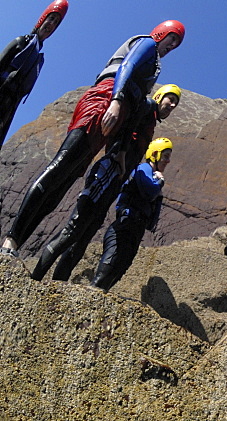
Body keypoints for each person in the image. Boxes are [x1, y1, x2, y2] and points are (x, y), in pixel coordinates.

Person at [1, 20, 185, 257]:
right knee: (60, 166)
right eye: (172, 38)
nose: (172, 45)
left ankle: (16, 246)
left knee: (63, 184)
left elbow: (135, 110)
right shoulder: (147, 44)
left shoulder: (153, 70)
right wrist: (117, 99)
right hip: (103, 102)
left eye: (176, 43)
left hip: (114, 116)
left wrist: (118, 151)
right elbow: (127, 66)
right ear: (163, 33)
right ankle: (10, 239)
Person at [30, 83, 181, 281]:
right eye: (171, 99)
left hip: (114, 180)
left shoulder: (151, 121)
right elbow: (126, 124)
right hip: (108, 171)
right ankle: (35, 280)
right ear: (160, 96)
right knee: (74, 228)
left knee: (83, 237)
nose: (172, 106)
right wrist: (121, 154)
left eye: (176, 103)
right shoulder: (146, 106)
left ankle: (56, 287)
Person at [90, 137, 171, 290]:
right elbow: (150, 190)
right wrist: (160, 182)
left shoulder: (152, 174)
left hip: (135, 228)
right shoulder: (144, 169)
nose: (168, 161)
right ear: (155, 154)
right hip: (125, 225)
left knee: (119, 270)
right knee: (108, 269)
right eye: (165, 156)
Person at [0, 1, 69, 147]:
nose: (51, 24)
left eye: (56, 23)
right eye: (51, 19)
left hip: (9, 107)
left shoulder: (38, 58)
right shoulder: (21, 42)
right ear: (42, 19)